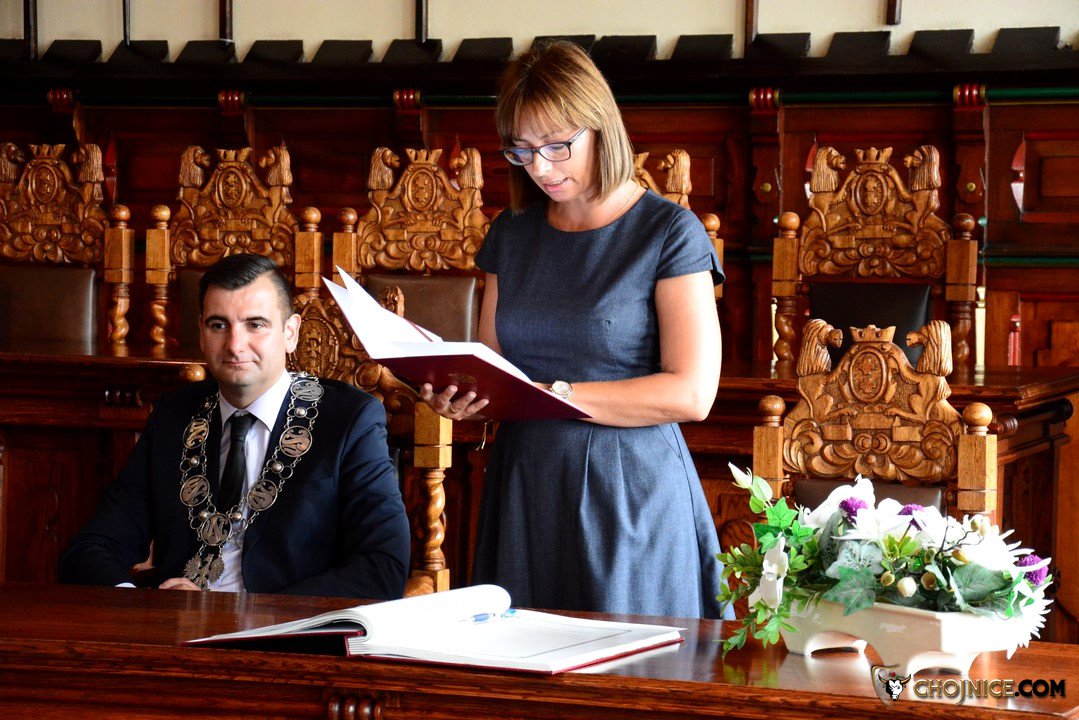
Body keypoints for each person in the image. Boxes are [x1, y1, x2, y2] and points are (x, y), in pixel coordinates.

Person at [420, 41, 730, 619]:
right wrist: (462, 395)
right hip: (525, 480)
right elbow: (496, 365)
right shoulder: (511, 232)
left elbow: (692, 393)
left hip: (627, 488)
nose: (540, 167)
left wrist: (554, 394)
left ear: (601, 129)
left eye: (557, 145)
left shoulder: (668, 232)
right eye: (522, 150)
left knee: (628, 663)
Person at [60, 254, 410, 599]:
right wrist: (144, 603)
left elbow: (382, 568)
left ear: (290, 333)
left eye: (255, 325)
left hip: (288, 628)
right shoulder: (173, 416)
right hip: (178, 626)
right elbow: (91, 547)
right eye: (219, 325)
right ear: (201, 332)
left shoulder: (350, 420)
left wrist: (253, 617)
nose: (234, 345)